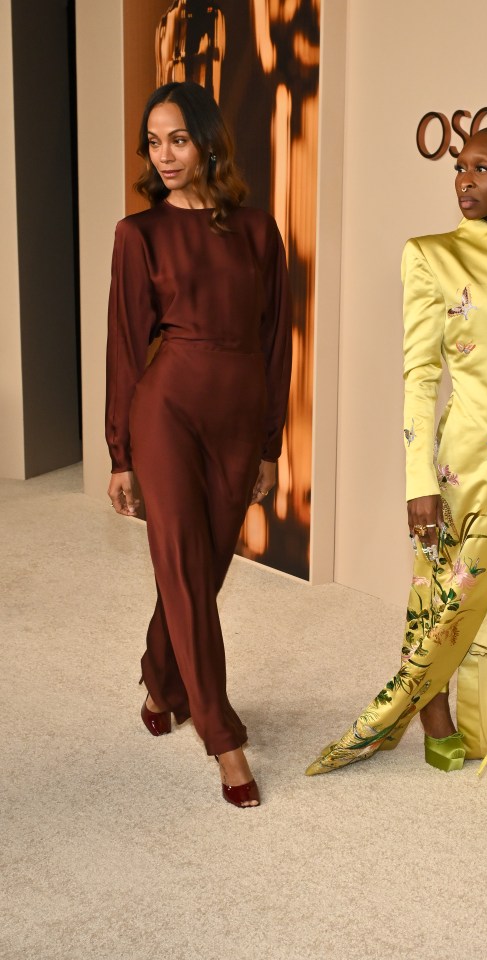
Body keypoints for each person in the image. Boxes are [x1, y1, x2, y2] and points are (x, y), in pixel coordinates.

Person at [306, 127, 487, 840]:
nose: (464, 179)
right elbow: (421, 377)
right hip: (469, 465)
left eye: (482, 167)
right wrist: (417, 482)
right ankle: (432, 709)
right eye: (458, 167)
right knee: (447, 602)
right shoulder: (430, 257)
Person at [106, 81, 292, 808]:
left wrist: (270, 445)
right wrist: (121, 452)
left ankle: (160, 676)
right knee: (182, 569)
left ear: (209, 140)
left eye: (176, 138)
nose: (165, 154)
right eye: (153, 142)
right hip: (168, 414)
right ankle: (223, 738)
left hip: (239, 421)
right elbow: (127, 347)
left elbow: (275, 344)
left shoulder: (258, 231)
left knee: (203, 570)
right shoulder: (139, 234)